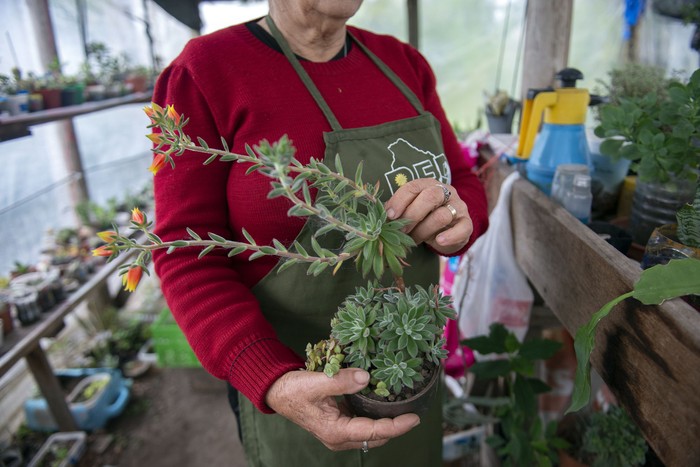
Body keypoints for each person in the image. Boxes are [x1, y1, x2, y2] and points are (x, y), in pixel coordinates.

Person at [150, 1, 489, 466]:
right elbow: (185, 252)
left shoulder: (403, 64)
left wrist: (456, 221)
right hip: (294, 385)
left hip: (408, 371)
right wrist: (270, 378)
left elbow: (464, 181)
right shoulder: (205, 72)